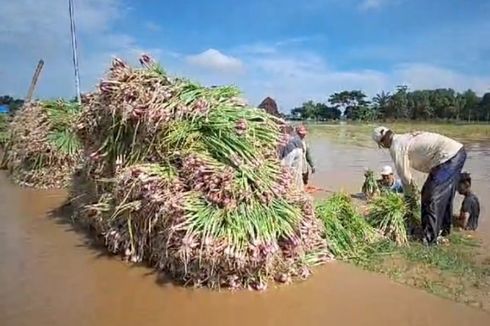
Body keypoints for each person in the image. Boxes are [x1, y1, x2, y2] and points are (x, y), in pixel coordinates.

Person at [372, 126, 466, 245]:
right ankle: (444, 230)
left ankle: (430, 238)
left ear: (382, 142)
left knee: (431, 196)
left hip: (449, 157)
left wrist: (409, 198)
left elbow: (405, 177)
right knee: (442, 194)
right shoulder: (402, 138)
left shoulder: (396, 146)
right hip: (456, 153)